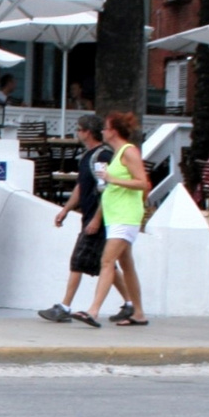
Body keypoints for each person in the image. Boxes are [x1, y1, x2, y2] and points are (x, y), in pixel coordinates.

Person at [38, 113, 129, 323]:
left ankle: (64, 306)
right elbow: (82, 186)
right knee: (107, 265)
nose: (77, 133)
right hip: (90, 216)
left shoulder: (102, 156)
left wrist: (97, 219)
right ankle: (131, 304)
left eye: (79, 129)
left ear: (87, 132)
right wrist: (66, 209)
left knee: (78, 261)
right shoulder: (88, 157)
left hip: (99, 218)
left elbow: (107, 189)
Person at [71, 111, 150, 328]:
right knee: (127, 264)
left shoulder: (128, 152)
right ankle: (139, 313)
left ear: (113, 131)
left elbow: (143, 182)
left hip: (125, 216)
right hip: (116, 216)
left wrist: (112, 178)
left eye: (105, 128)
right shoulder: (117, 154)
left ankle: (93, 311)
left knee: (107, 261)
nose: (103, 131)